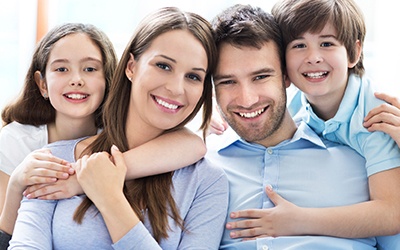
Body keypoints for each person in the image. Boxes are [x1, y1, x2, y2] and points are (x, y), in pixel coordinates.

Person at [9, 7, 228, 249]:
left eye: (193, 77)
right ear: (131, 67)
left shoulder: (207, 182)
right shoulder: (55, 162)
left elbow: (195, 145)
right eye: (163, 66)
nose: (176, 88)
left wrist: (109, 198)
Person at [206, 4, 399, 249]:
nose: (247, 100)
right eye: (227, 82)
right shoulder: (201, 159)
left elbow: (392, 214)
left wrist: (299, 220)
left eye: (261, 77)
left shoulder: (374, 118)